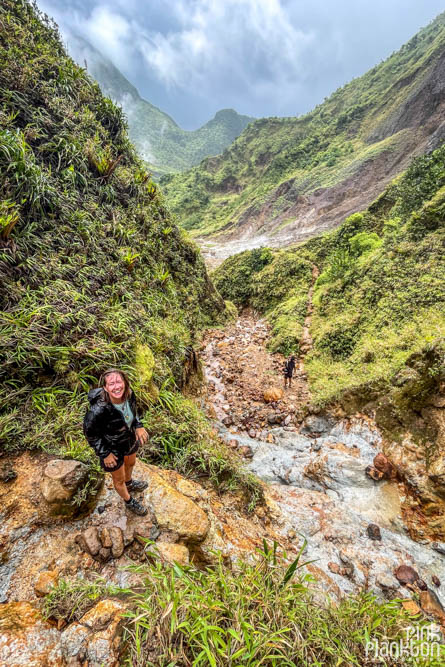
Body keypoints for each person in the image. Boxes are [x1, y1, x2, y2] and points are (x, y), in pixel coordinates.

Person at [83, 368, 149, 515]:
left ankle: (129, 483)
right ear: (105, 388)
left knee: (131, 463)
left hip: (128, 438)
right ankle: (128, 501)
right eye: (111, 384)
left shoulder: (129, 394)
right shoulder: (98, 410)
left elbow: (134, 411)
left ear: (125, 383)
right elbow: (90, 433)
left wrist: (138, 425)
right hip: (111, 446)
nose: (116, 386)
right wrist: (105, 454)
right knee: (118, 479)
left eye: (119, 382)